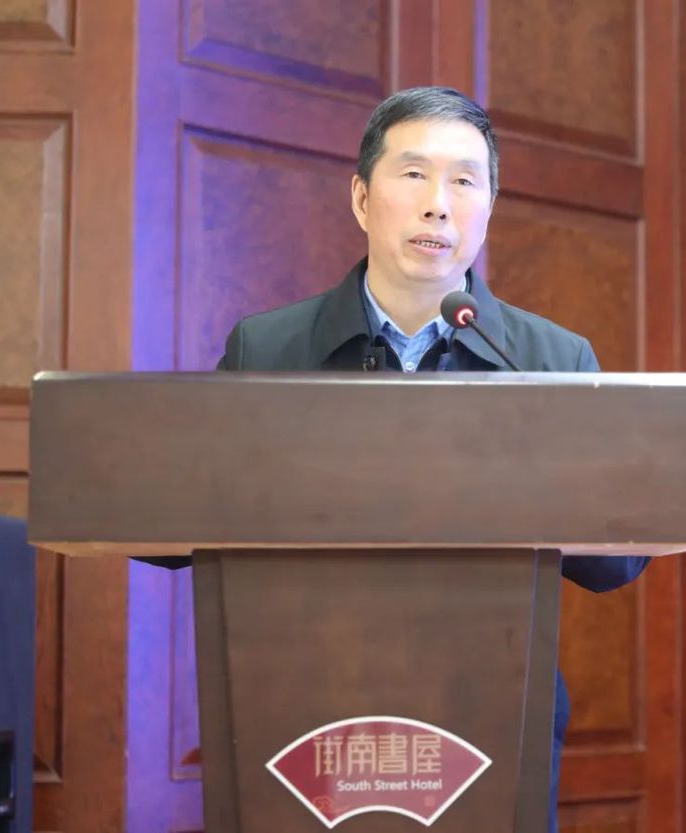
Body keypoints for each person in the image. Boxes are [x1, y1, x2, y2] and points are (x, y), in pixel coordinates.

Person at [213, 86, 650, 833]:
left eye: (464, 181)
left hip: (493, 704)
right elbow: (192, 509)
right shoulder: (268, 348)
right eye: (413, 174)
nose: (438, 205)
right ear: (361, 198)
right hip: (303, 704)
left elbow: (614, 564)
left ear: (489, 207)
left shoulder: (550, 359)